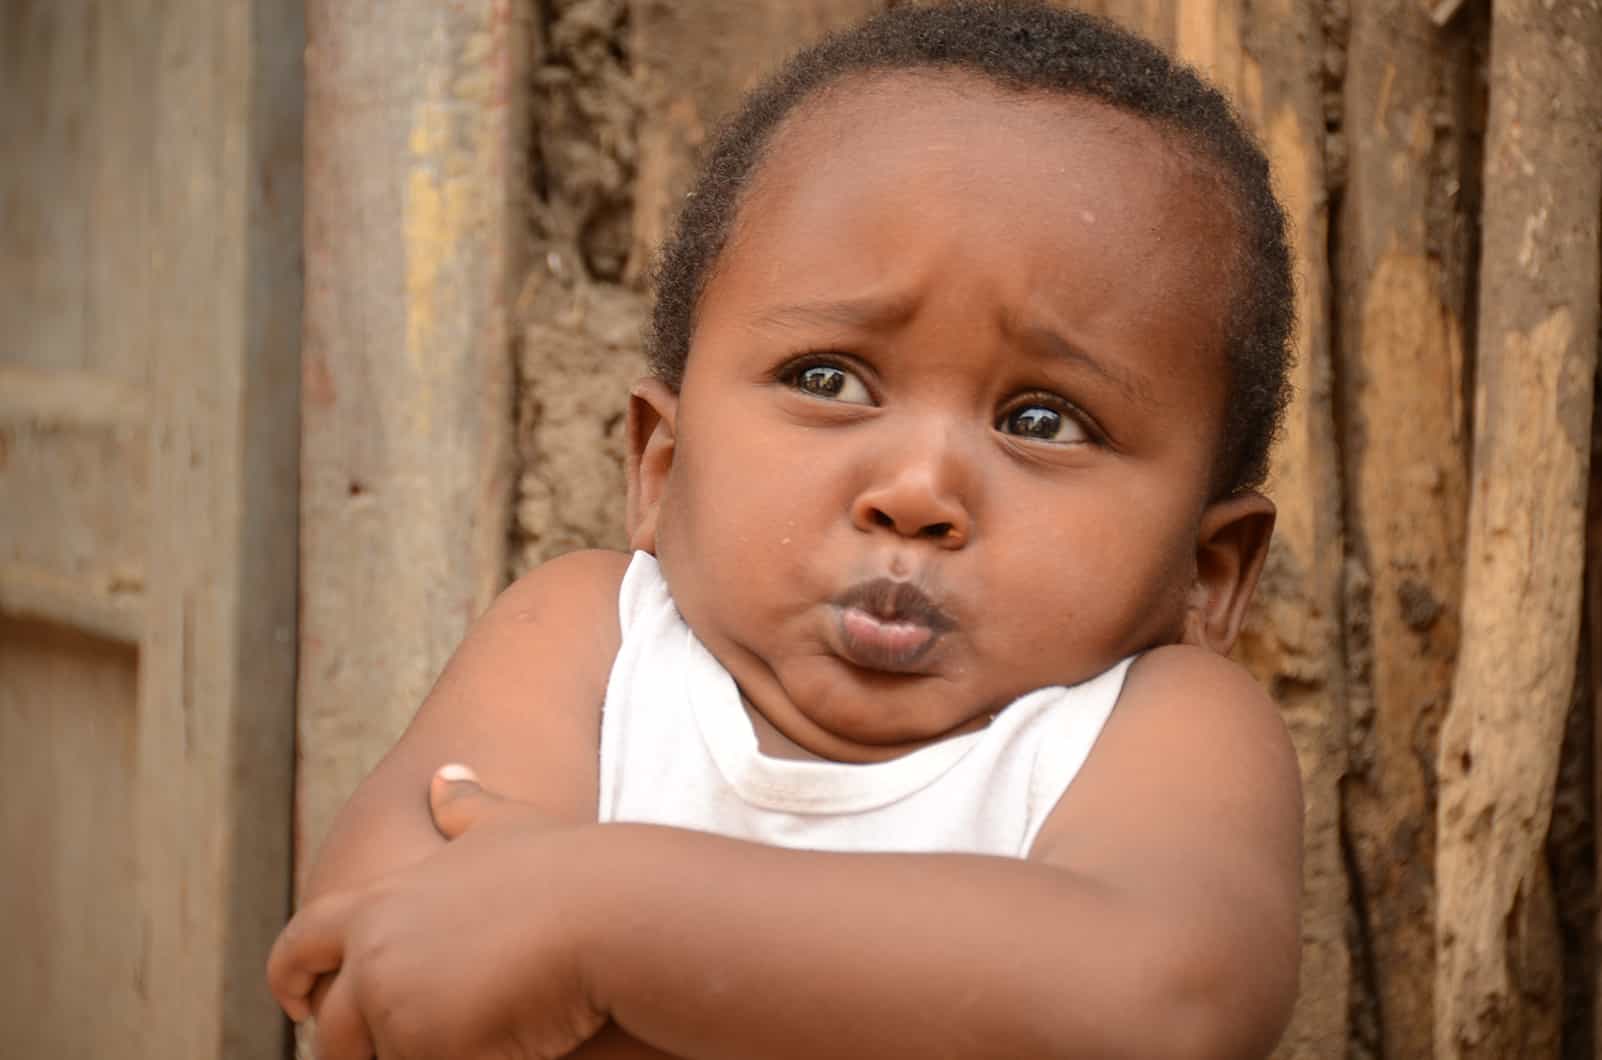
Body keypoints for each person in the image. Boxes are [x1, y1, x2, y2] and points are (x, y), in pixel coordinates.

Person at [268, 2, 1304, 1057]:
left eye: (1042, 421)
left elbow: (1162, 1003)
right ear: (660, 467)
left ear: (1208, 571)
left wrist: (607, 920)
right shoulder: (590, 646)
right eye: (831, 379)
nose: (915, 489)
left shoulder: (1157, 734)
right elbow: (386, 957)